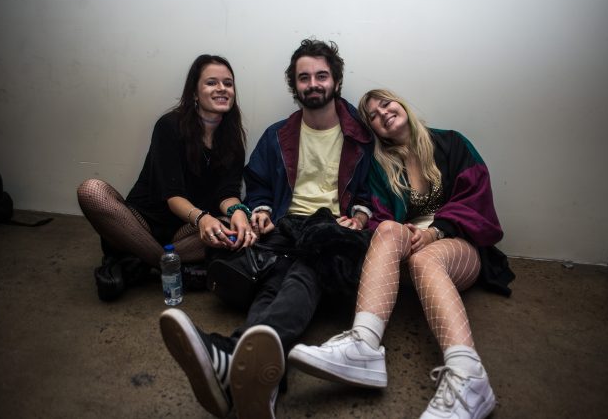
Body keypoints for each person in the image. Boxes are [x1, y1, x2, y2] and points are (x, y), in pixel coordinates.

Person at [159, 39, 374, 419]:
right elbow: (257, 183)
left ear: (337, 81)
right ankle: (261, 384)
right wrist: (259, 209)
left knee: (307, 267)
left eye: (321, 76)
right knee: (275, 280)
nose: (313, 84)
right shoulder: (279, 135)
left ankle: (229, 353)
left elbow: (375, 190)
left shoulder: (362, 136)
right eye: (303, 77)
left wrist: (358, 217)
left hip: (334, 231)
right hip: (285, 227)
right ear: (295, 85)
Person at [288, 89, 515, 419]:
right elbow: (378, 217)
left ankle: (469, 376)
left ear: (401, 104)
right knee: (387, 229)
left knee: (426, 258)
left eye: (385, 104)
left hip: (455, 244)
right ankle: (363, 345)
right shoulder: (380, 165)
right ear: (373, 129)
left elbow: (475, 200)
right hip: (406, 251)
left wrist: (435, 232)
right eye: (373, 116)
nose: (383, 113)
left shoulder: (451, 142)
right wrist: (375, 224)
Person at [77, 55, 256, 300]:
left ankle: (137, 262)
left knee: (237, 228)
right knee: (91, 191)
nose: (222, 88)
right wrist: (203, 218)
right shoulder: (169, 125)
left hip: (184, 233)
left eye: (228, 83)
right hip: (143, 223)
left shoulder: (233, 139)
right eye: (211, 82)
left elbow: (227, 193)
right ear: (194, 92)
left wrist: (238, 212)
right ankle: (166, 263)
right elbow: (173, 196)